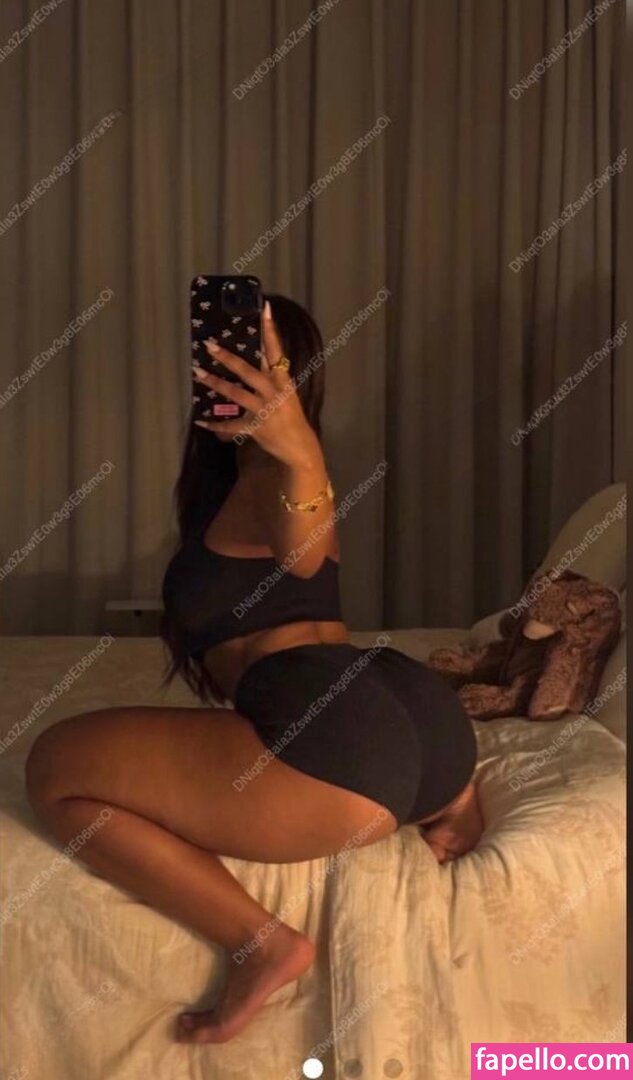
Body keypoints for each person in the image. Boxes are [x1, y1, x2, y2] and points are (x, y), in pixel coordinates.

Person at [24, 295, 482, 1046]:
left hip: (343, 737)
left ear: (296, 384)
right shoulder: (246, 474)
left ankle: (260, 943)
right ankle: (453, 798)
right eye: (223, 363)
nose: (240, 382)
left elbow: (304, 553)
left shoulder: (278, 469)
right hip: (419, 721)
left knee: (54, 766)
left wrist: (300, 450)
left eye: (265, 369)